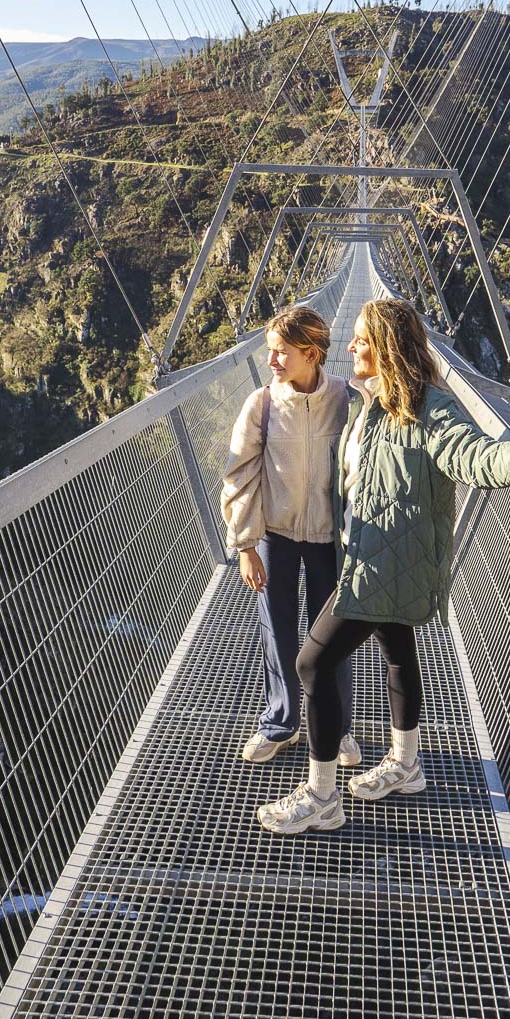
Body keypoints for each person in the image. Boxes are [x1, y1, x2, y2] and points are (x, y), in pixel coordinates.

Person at [256, 297, 510, 836]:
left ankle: (322, 797)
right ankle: (406, 765)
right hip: (377, 554)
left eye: (361, 341)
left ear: (388, 348)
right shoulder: (372, 403)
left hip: (384, 565)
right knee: (398, 651)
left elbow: (470, 451)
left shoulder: (429, 409)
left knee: (312, 664)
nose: (348, 349)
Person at [221, 304, 360, 768]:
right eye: (269, 351)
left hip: (328, 537)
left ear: (312, 353)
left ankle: (338, 729)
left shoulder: (347, 399)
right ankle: (282, 722)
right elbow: (240, 475)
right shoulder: (261, 404)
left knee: (332, 638)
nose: (272, 361)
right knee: (276, 631)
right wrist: (244, 545)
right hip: (275, 535)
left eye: (281, 353)